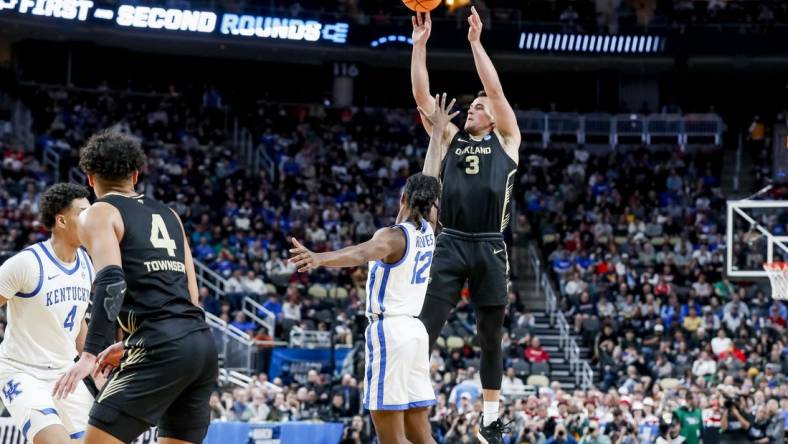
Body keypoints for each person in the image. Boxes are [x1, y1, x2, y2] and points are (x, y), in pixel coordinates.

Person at [52, 130, 218, 444]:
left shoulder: (98, 213)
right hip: (201, 347)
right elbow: (192, 300)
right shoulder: (170, 215)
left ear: (89, 178)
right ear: (136, 174)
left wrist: (89, 354)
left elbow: (112, 282)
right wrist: (128, 345)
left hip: (160, 346)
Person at [411, 7, 521, 443]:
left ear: (493, 117)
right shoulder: (451, 138)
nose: (473, 110)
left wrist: (476, 44)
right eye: (471, 107)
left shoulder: (507, 140)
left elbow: (494, 88)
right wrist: (419, 47)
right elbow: (423, 100)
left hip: (491, 245)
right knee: (426, 325)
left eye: (479, 107)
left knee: (490, 333)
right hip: (452, 241)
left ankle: (489, 417)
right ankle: (411, 395)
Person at [289, 173, 441, 444]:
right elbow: (429, 176)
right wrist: (438, 136)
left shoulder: (393, 237)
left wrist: (318, 258)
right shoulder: (429, 230)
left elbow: (360, 253)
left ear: (402, 198)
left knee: (390, 438)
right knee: (421, 434)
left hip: (390, 331)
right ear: (433, 205)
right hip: (416, 332)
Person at [0, 183, 95, 444]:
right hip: (22, 371)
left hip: (66, 374)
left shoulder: (87, 263)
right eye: (83, 214)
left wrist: (93, 363)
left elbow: (77, 321)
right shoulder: (26, 264)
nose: (91, 220)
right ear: (62, 220)